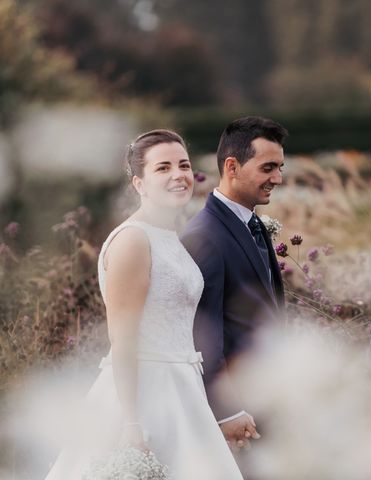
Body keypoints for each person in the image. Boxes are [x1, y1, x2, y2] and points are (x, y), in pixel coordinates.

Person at [45, 130, 243, 479]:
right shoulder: (133, 240)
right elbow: (123, 340)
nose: (178, 175)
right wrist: (131, 422)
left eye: (183, 165)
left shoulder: (168, 237)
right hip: (145, 396)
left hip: (183, 389)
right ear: (139, 183)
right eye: (163, 167)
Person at [181, 116, 287, 452]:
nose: (278, 178)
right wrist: (227, 412)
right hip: (238, 413)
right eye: (268, 167)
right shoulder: (205, 237)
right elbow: (201, 335)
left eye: (280, 167)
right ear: (232, 166)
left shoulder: (251, 223)